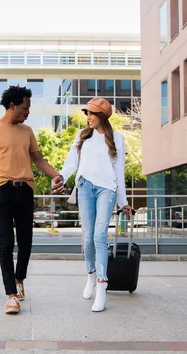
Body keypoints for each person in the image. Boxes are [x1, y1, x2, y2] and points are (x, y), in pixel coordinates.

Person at [0, 85, 61, 315]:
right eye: (25, 107)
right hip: (1, 190)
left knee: (26, 241)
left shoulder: (27, 131)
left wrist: (56, 175)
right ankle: (11, 296)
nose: (28, 112)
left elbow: (38, 159)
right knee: (6, 242)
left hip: (25, 189)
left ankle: (19, 279)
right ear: (13, 105)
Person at [52, 97, 131, 312]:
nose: (88, 117)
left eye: (92, 114)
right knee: (87, 238)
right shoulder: (82, 136)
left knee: (99, 236)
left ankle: (102, 285)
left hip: (107, 189)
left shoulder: (117, 138)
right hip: (85, 187)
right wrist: (61, 177)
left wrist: (123, 202)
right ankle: (90, 275)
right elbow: (71, 163)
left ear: (102, 116)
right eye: (87, 113)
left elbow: (119, 172)